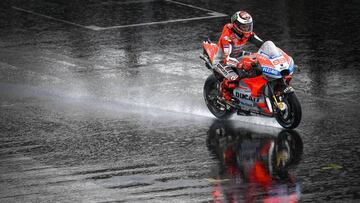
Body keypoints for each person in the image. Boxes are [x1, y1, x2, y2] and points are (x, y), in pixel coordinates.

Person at [214, 11, 264, 101]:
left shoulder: (247, 34)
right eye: (244, 27)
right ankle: (224, 92)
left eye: (248, 26)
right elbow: (227, 59)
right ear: (236, 26)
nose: (247, 29)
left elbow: (263, 44)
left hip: (238, 55)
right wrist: (241, 65)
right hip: (221, 61)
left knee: (260, 59)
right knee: (234, 78)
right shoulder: (227, 37)